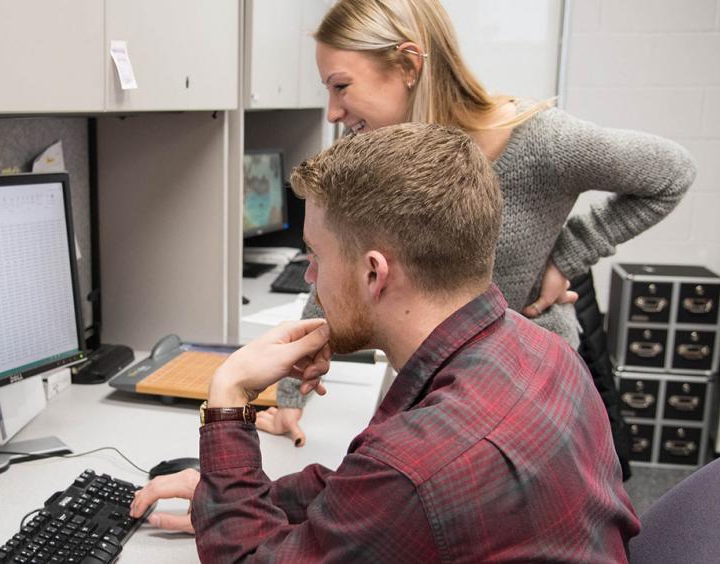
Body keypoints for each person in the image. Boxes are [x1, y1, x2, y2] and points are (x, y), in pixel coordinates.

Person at [130, 123, 640, 562]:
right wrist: (227, 493)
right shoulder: (543, 351)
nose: (309, 276)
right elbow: (360, 495)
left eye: (316, 256)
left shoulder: (416, 468)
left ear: (374, 274)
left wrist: (229, 396)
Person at [258, 0, 697, 448]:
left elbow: (670, 173)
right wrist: (291, 396)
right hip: (430, 388)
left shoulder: (540, 141)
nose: (332, 112)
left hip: (523, 399)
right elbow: (337, 270)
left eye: (341, 86)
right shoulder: (385, 161)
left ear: (409, 64)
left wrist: (566, 257)